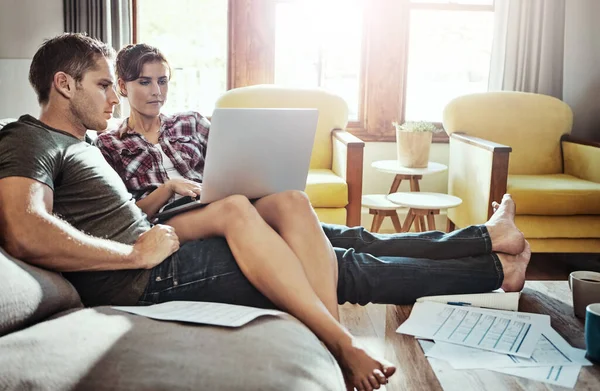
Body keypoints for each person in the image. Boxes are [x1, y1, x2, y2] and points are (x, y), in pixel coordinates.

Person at [0, 34, 530, 391]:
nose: (114, 99)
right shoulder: (29, 138)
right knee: (333, 262)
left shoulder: (80, 143)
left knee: (313, 230)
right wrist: (133, 252)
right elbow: (26, 231)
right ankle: (354, 338)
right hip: (144, 274)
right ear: (63, 85)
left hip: (167, 243)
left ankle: (486, 247)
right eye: (103, 86)